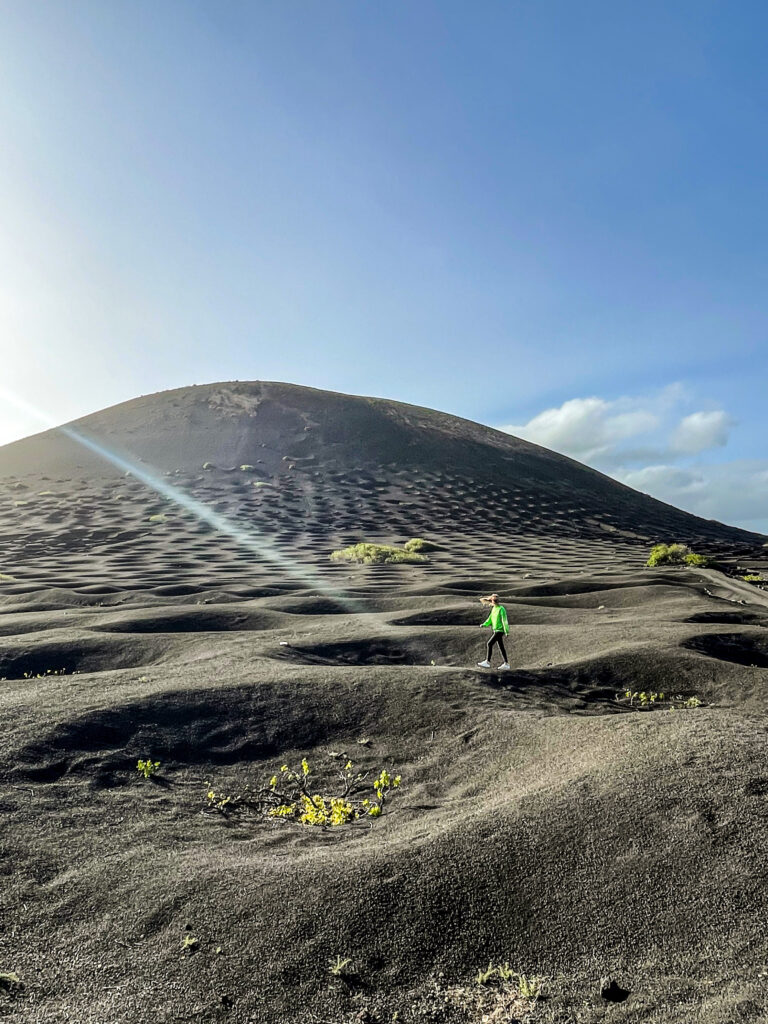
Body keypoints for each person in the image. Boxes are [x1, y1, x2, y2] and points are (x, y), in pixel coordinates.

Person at [477, 593, 510, 670]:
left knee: (489, 644)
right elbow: (490, 619)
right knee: (501, 647)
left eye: (496, 600)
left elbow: (504, 620)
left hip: (500, 630)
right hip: (496, 630)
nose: (495, 601)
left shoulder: (501, 609)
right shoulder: (494, 609)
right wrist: (484, 624)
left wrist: (506, 631)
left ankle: (487, 662)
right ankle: (506, 664)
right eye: (494, 600)